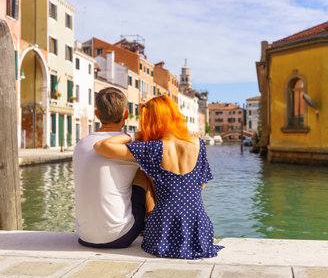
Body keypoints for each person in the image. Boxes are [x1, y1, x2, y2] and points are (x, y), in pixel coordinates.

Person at [94, 95, 223, 259]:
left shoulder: (152, 149)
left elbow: (101, 146)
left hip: (163, 232)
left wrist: (135, 135)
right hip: (198, 231)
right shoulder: (199, 144)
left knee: (141, 175)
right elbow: (201, 186)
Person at [73, 87, 154, 248]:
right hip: (120, 236)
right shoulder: (132, 145)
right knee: (144, 173)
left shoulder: (80, 144)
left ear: (97, 115)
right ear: (125, 115)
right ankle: (154, 225)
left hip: (85, 236)